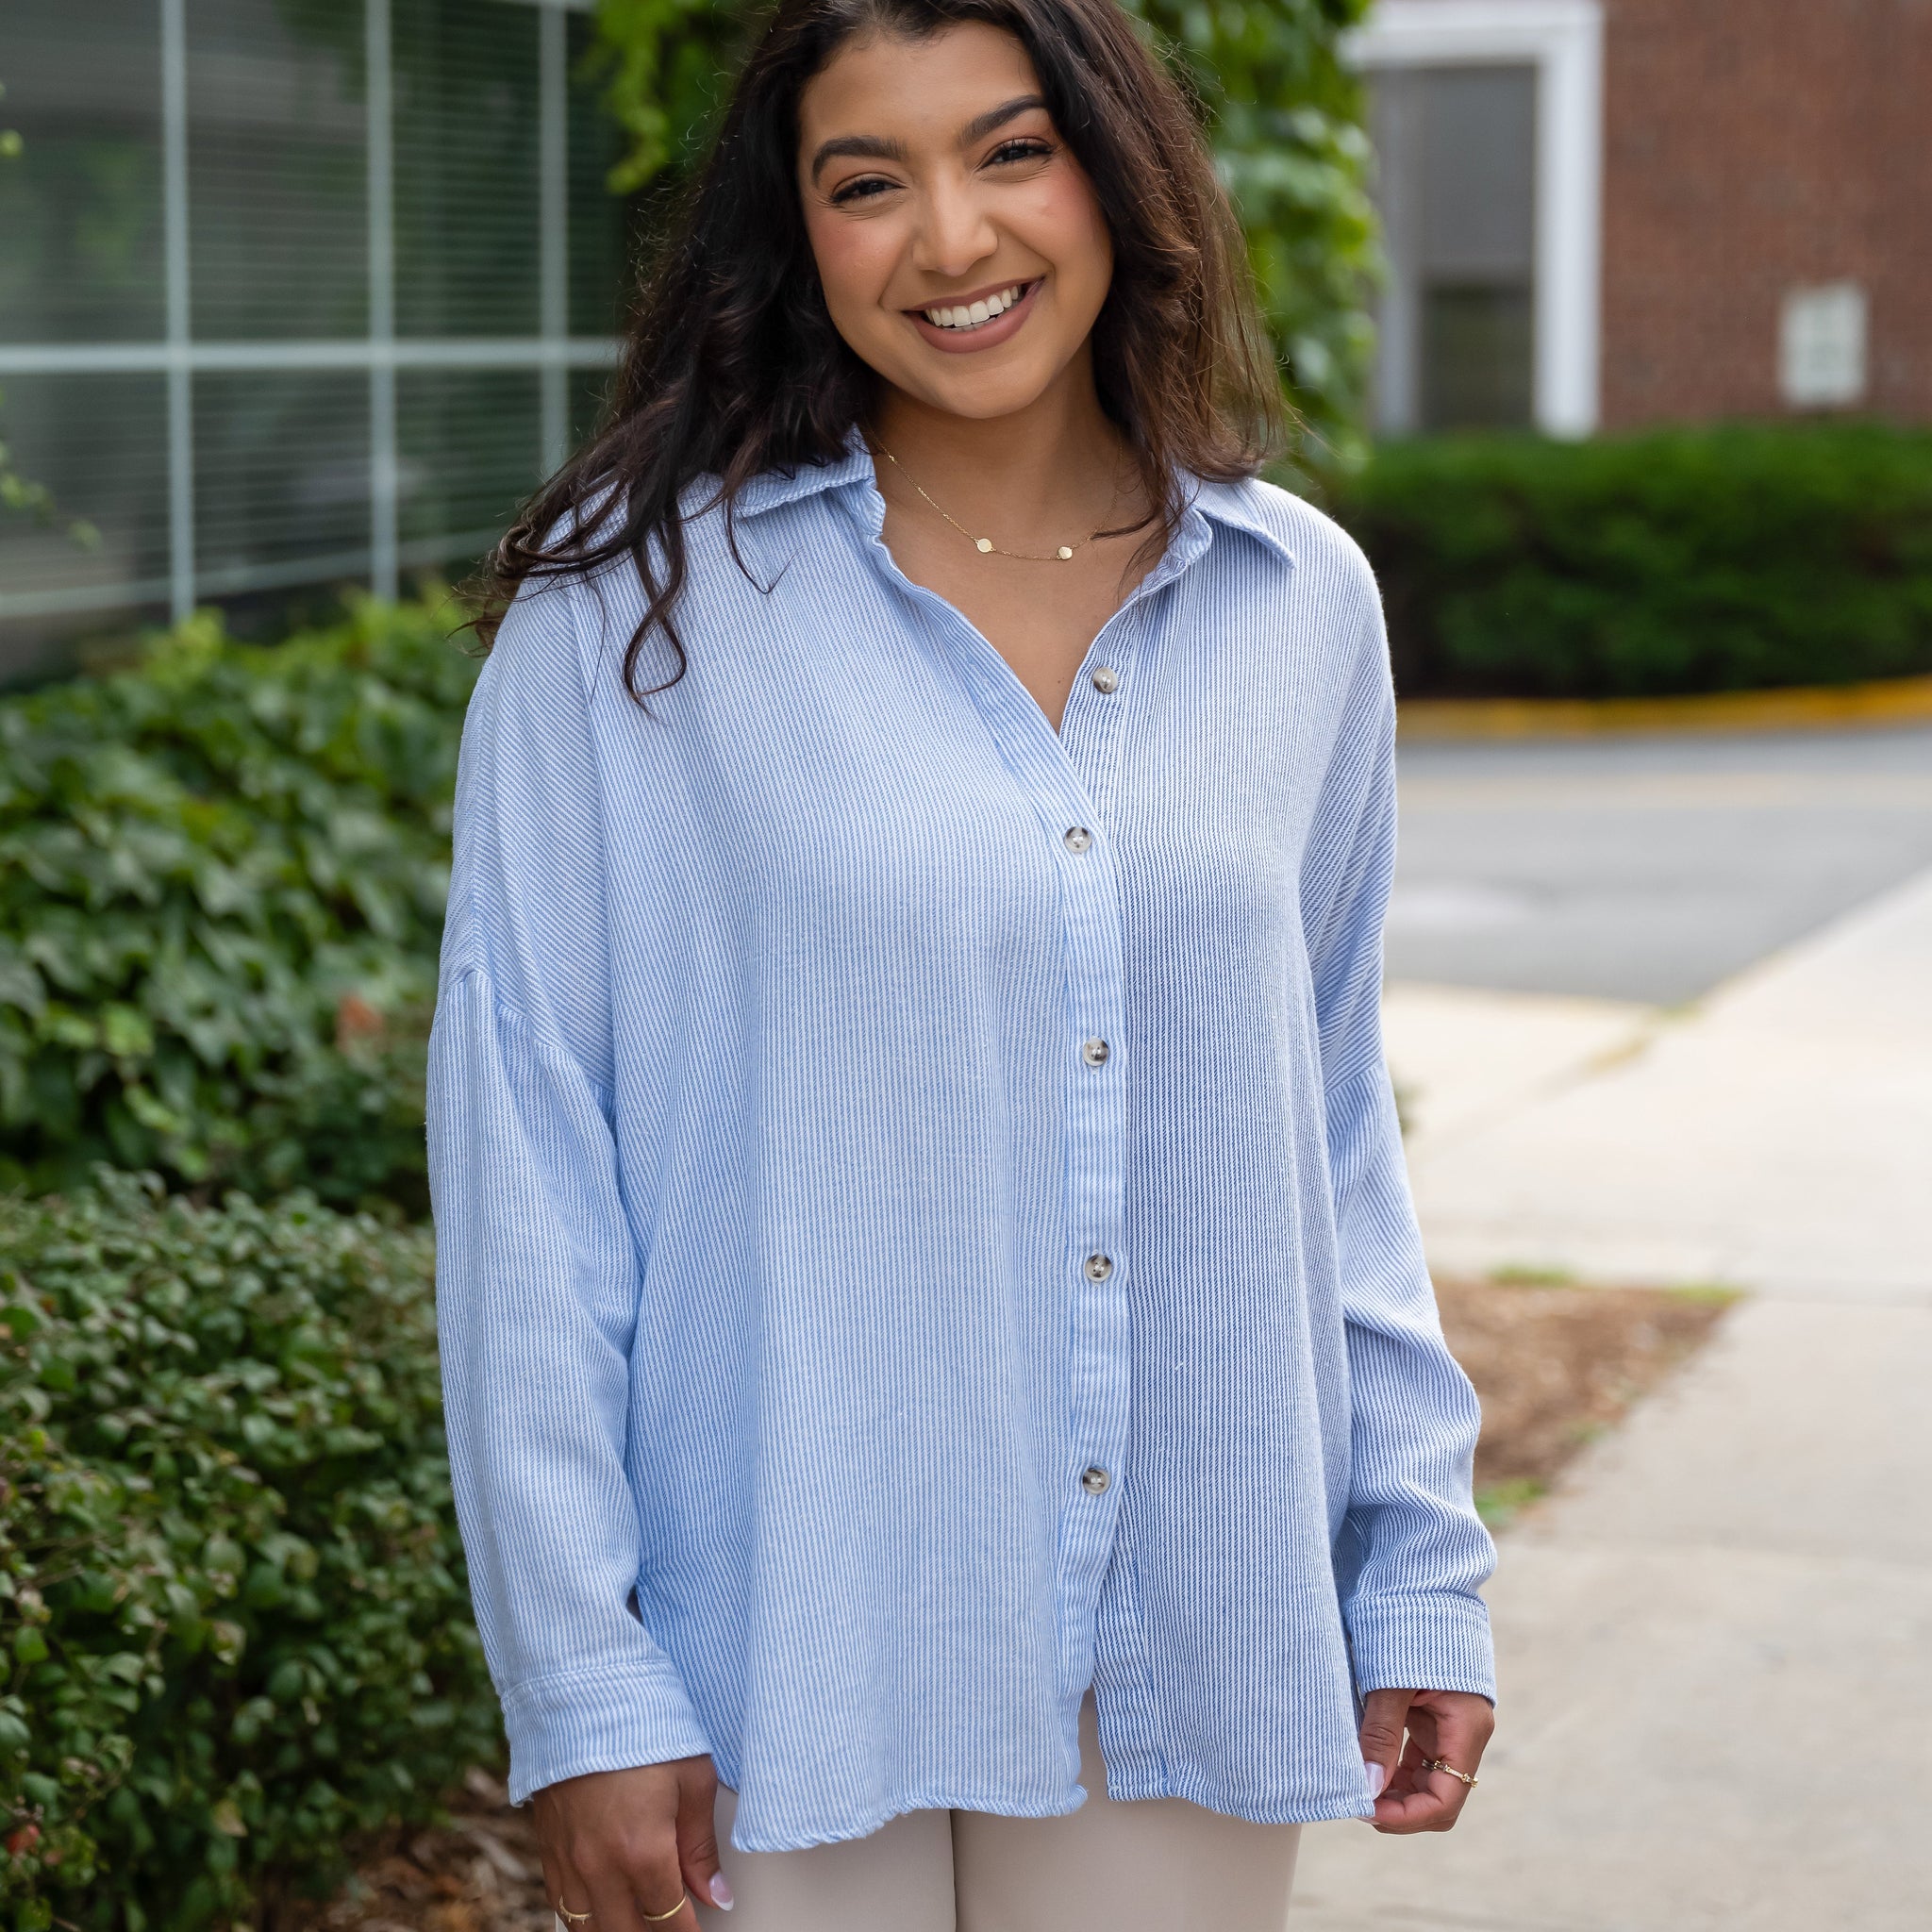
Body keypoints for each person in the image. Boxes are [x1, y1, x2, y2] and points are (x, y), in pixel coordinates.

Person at [427, 1, 1497, 1926]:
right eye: (868, 181)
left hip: (1186, 1600)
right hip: (793, 1627)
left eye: (1008, 151)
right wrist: (582, 1684)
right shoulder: (631, 622)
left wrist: (1414, 1554)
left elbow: (1324, 1124)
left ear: (1112, 169)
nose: (950, 239)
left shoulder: (1297, 605)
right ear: (794, 229)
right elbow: (529, 1167)